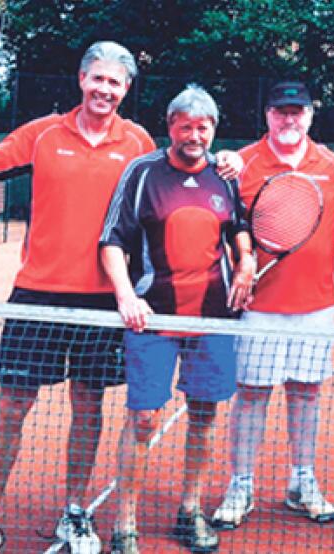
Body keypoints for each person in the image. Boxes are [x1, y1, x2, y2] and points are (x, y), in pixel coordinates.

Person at [0, 42, 239, 554]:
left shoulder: (137, 142)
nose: (104, 90)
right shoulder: (43, 133)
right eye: (98, 79)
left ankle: (74, 511)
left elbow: (184, 166)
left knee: (88, 406)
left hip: (105, 302)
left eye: (115, 83)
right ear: (81, 79)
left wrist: (226, 160)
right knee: (12, 405)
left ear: (126, 89)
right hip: (37, 294)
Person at [99, 84, 255, 554]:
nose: (194, 134)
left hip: (214, 317)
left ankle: (190, 511)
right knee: (143, 419)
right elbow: (112, 239)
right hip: (152, 316)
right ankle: (124, 522)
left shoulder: (226, 176)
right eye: (185, 126)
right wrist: (126, 296)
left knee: (205, 417)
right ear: (170, 128)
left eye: (202, 126)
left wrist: (245, 261)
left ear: (213, 130)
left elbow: (239, 228)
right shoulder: (142, 172)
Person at [211, 81, 334, 530]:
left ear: (310, 115)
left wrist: (311, 249)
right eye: (280, 111)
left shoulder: (332, 165)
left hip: (316, 305)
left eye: (297, 112)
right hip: (259, 307)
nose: (289, 120)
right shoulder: (240, 164)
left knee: (306, 393)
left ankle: (302, 481)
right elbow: (228, 227)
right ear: (267, 114)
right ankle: (241, 484)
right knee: (252, 396)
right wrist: (244, 265)